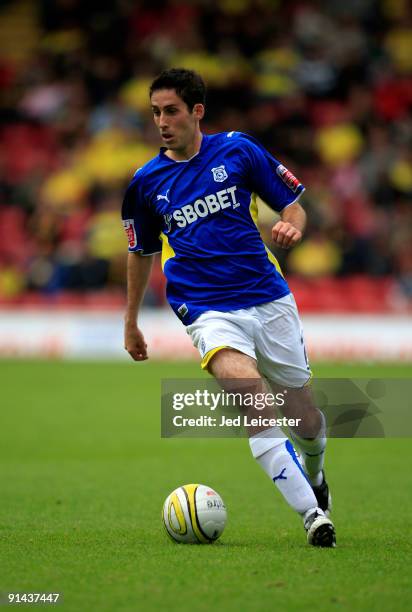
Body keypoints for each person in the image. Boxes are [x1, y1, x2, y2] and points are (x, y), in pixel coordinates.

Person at [122, 68, 336, 547]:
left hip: (268, 298)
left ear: (197, 111)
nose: (162, 121)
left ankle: (317, 477)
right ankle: (313, 517)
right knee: (251, 401)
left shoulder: (239, 150)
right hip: (205, 308)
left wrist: (292, 226)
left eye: (171, 110)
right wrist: (131, 320)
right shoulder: (144, 184)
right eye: (155, 112)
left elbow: (294, 204)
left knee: (305, 422)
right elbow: (140, 253)